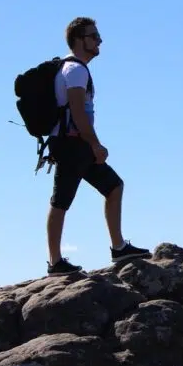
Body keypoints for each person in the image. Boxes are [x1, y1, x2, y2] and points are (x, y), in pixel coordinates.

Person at [45, 16, 150, 274]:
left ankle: (118, 247)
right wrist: (95, 145)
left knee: (113, 186)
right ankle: (56, 262)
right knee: (61, 201)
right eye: (94, 36)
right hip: (73, 145)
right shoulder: (76, 70)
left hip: (74, 144)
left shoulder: (72, 69)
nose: (99, 40)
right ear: (80, 41)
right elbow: (78, 112)